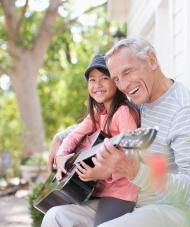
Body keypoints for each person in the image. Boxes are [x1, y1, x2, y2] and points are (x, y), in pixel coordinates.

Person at [43, 37, 190, 227]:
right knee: (55, 217)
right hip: (133, 201)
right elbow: (101, 120)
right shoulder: (139, 101)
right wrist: (61, 138)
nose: (124, 85)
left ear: (152, 60)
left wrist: (135, 171)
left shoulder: (183, 109)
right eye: (116, 79)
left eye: (127, 72)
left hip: (175, 210)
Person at [46, 54, 140, 226]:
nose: (97, 85)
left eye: (105, 78)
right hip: (99, 188)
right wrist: (61, 156)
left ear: (116, 82)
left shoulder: (123, 113)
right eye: (92, 80)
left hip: (120, 192)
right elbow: (74, 136)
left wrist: (107, 173)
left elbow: (133, 154)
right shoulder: (97, 113)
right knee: (55, 214)